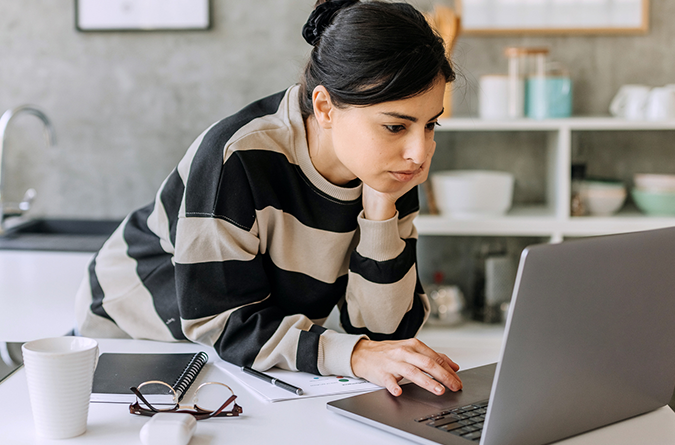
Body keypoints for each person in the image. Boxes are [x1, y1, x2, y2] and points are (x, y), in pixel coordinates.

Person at [75, 0, 462, 397]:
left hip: (240, 349)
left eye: (431, 124)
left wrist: (380, 209)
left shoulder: (389, 168)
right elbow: (223, 322)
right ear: (325, 108)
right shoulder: (237, 156)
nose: (420, 152)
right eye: (396, 126)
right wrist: (355, 354)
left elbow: (385, 335)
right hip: (134, 337)